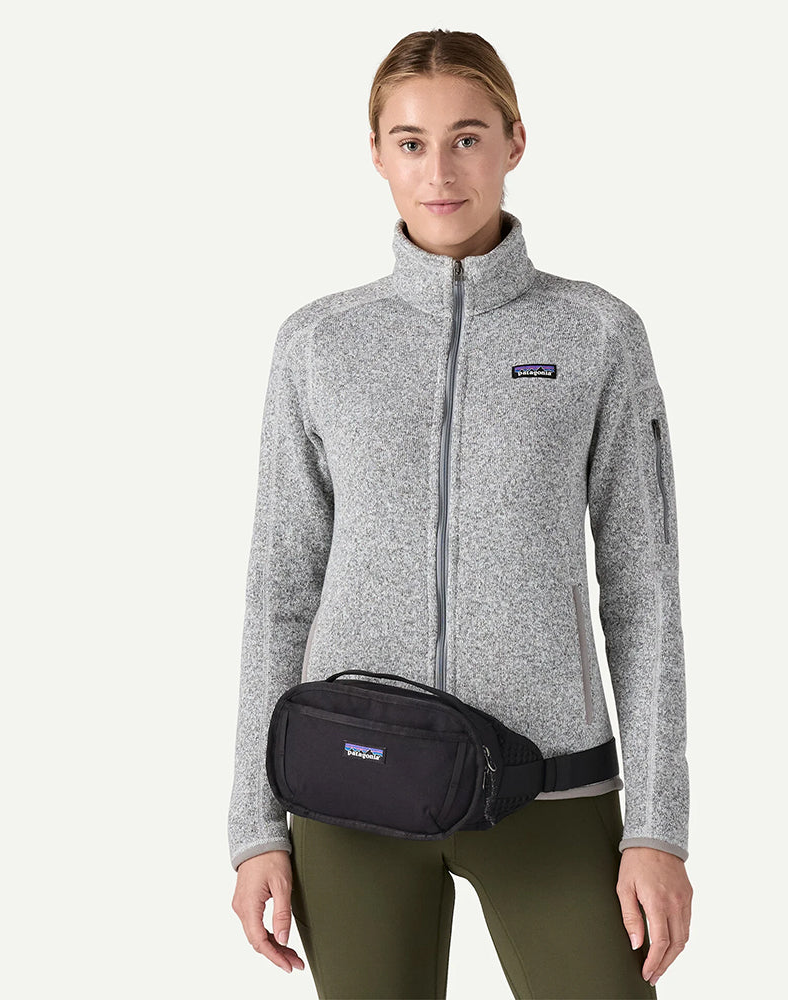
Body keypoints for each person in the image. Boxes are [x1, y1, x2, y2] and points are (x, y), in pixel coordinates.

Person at [228, 28, 693, 999]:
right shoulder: (319, 343)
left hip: (549, 786)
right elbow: (279, 591)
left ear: (515, 142)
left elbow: (643, 592)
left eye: (467, 138)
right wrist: (256, 829)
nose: (439, 171)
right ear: (376, 153)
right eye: (411, 142)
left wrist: (656, 828)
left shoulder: (596, 334)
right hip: (348, 786)